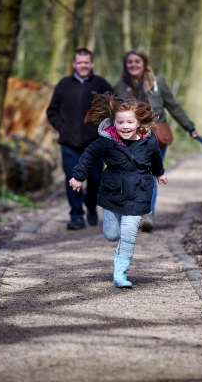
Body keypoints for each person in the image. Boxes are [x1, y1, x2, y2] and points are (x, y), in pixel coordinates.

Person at [69, 93, 167, 288]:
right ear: (113, 122)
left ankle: (120, 272)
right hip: (112, 192)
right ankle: (119, 248)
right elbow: (88, 155)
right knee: (112, 234)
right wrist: (79, 176)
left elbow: (155, 158)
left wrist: (160, 173)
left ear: (138, 122)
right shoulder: (106, 141)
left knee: (129, 233)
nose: (125, 126)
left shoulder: (149, 141)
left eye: (129, 122)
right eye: (120, 122)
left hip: (139, 192)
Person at [113, 49, 198, 232]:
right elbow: (112, 115)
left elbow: (173, 106)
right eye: (130, 62)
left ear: (144, 63)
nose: (134, 65)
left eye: (137, 61)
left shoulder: (158, 83)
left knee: (150, 176)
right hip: (129, 139)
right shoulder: (119, 87)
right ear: (125, 65)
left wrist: (189, 127)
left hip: (156, 137)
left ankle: (146, 214)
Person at [47, 48, 114, 230]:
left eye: (86, 62)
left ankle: (91, 206)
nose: (83, 66)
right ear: (74, 64)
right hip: (69, 142)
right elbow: (52, 111)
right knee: (72, 178)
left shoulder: (101, 84)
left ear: (91, 64)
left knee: (95, 179)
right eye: (79, 62)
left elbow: (115, 109)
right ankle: (76, 215)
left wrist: (104, 130)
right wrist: (62, 127)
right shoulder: (64, 84)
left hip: (95, 142)